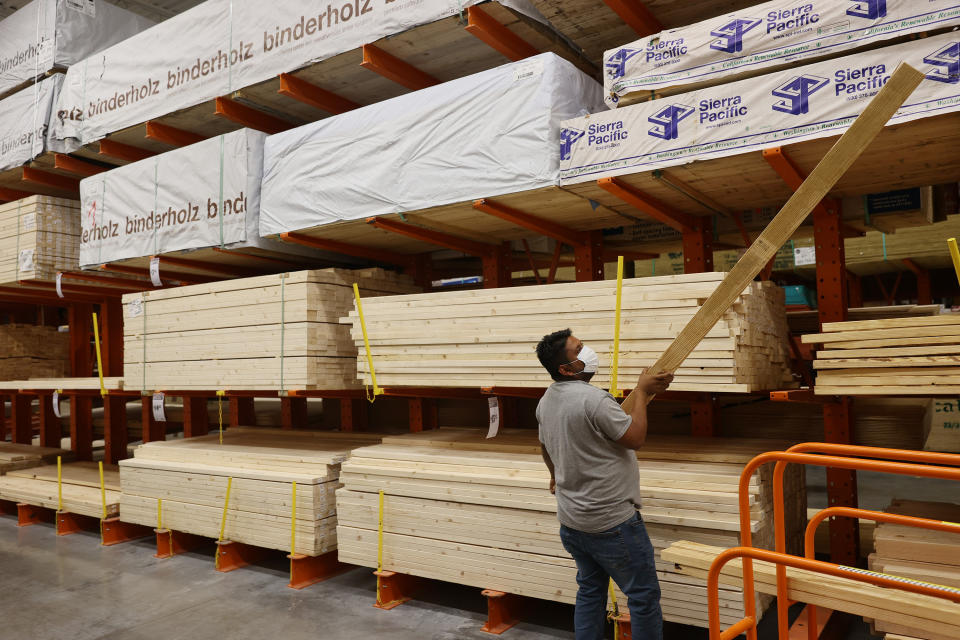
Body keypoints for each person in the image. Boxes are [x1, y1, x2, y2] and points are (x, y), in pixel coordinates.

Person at [535, 328, 673, 640]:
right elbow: (635, 438)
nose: (588, 352)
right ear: (566, 369)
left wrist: (555, 475)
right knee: (643, 598)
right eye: (578, 349)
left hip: (572, 523)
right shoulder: (594, 400)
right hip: (612, 524)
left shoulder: (546, 400)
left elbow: (544, 445)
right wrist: (641, 392)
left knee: (589, 591)